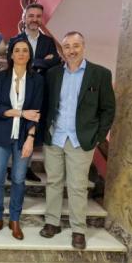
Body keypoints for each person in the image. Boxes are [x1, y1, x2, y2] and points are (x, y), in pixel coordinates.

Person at [39, 31, 115, 250]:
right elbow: (48, 105)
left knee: (78, 186)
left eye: (75, 46)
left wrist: (98, 137)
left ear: (83, 47)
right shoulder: (53, 74)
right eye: (67, 46)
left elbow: (108, 110)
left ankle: (78, 229)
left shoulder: (100, 74)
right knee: (53, 182)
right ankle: (52, 222)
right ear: (62, 49)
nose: (71, 50)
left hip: (81, 140)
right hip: (55, 137)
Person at [0, 39, 43, 240]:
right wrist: (21, 113)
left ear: (29, 55)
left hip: (23, 138)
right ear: (11, 55)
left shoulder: (37, 80)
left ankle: (15, 219)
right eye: (17, 50)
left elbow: (36, 113)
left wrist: (30, 138)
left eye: (24, 51)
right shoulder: (1, 78)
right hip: (1, 136)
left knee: (19, 179)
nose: (20, 54)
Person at [7, 3, 62, 182]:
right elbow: (11, 61)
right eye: (31, 15)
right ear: (24, 18)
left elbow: (55, 61)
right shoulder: (15, 40)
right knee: (14, 128)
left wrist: (34, 62)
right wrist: (41, 62)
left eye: (38, 16)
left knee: (32, 129)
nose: (34, 19)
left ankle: (27, 166)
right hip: (16, 90)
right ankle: (10, 167)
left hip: (38, 91)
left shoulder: (48, 41)